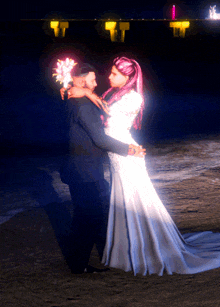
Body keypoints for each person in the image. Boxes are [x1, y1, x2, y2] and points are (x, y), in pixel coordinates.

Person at [69, 56, 220, 276]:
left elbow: (108, 120)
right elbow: (99, 115)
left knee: (134, 199)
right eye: (110, 72)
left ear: (128, 77)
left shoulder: (133, 98)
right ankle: (125, 250)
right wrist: (82, 92)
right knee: (122, 200)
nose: (108, 76)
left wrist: (86, 93)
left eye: (115, 74)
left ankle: (143, 250)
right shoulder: (112, 94)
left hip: (126, 154)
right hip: (118, 153)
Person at [59, 64, 145, 274]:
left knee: (86, 214)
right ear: (80, 80)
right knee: (92, 215)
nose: (97, 83)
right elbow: (99, 139)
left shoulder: (73, 98)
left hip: (78, 168)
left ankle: (79, 262)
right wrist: (130, 150)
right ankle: (79, 264)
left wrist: (86, 91)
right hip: (85, 169)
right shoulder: (83, 105)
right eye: (92, 80)